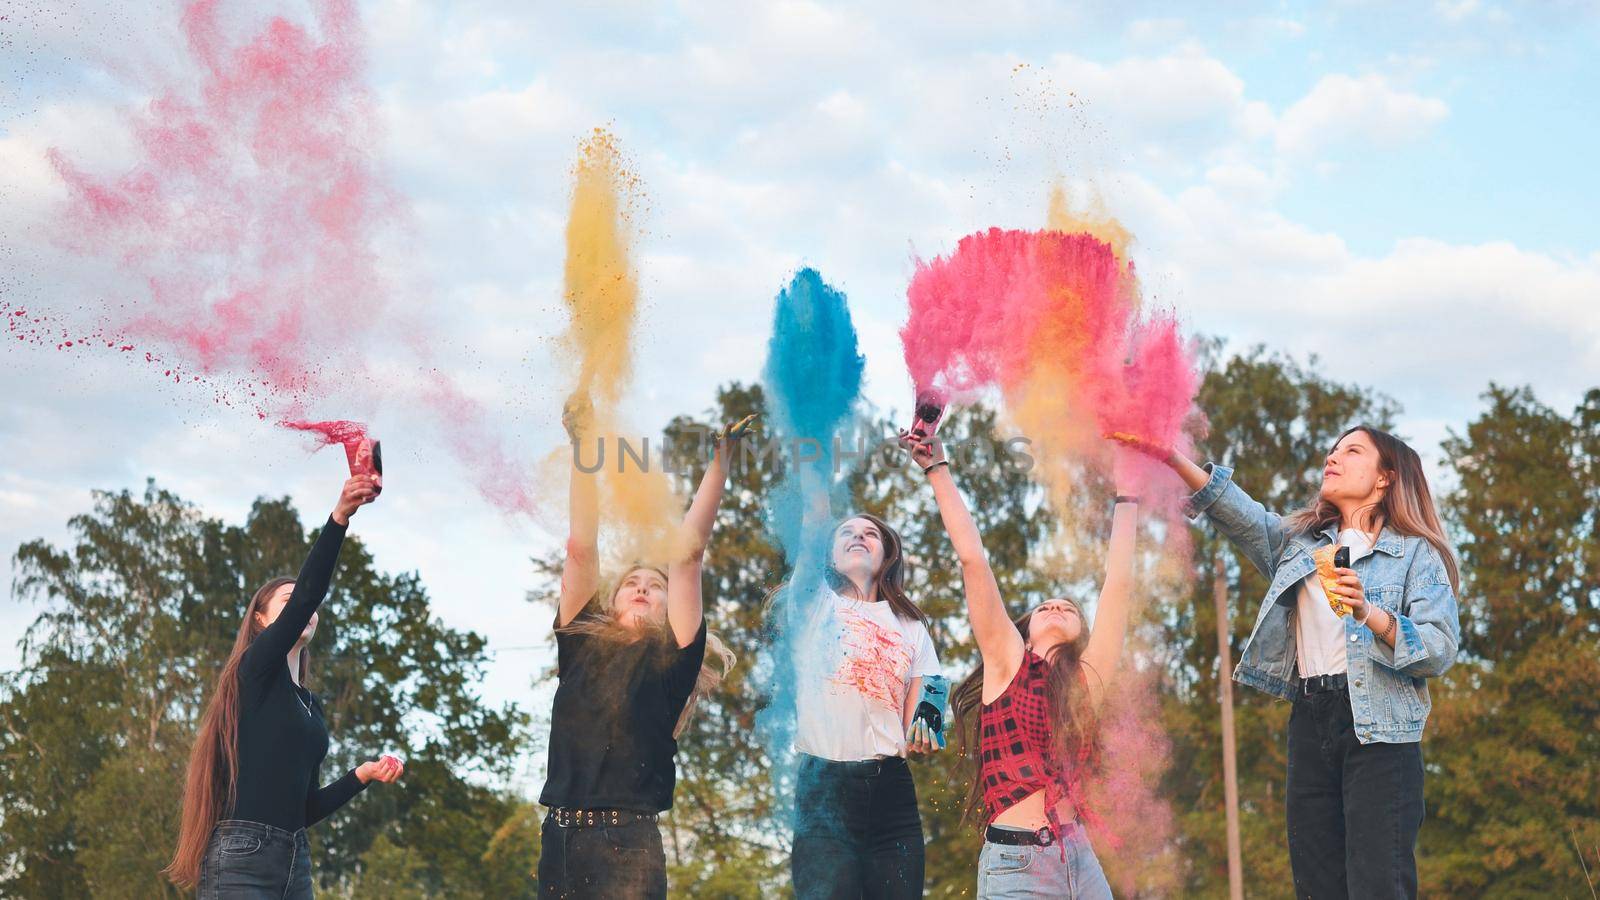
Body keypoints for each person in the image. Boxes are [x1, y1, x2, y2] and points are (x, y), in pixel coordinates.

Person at [1116, 425, 1460, 899]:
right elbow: (1238, 513)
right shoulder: (1298, 545)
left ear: (1386, 477)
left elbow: (1440, 648)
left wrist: (1368, 613)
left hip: (1380, 733)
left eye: (1352, 451)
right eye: (1332, 449)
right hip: (1310, 720)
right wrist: (1171, 456)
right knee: (1316, 884)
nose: (1332, 458)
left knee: (1378, 884)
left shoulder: (1416, 554)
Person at [909, 430, 1137, 899]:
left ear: (1082, 634)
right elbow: (973, 560)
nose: (1056, 607)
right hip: (1018, 865)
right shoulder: (1006, 660)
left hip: (1080, 858)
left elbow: (1118, 584)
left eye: (1069, 608)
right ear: (1024, 628)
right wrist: (937, 469)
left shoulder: (1084, 682)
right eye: (1045, 606)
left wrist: (1128, 488)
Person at [536, 400, 746, 899]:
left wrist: (720, 460)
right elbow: (581, 545)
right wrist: (582, 445)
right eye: (631, 582)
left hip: (627, 843)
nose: (642, 588)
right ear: (608, 605)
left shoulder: (674, 662)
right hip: (559, 838)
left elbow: (689, 555)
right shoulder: (582, 644)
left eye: (655, 586)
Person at [167, 472, 402, 898]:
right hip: (241, 855)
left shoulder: (310, 707)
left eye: (302, 603)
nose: (302, 609)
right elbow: (309, 596)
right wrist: (340, 517)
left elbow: (304, 809)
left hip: (295, 860)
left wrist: (361, 775)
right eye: (287, 602)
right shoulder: (254, 670)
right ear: (260, 619)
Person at [786, 500, 943, 900]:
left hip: (892, 794)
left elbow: (928, 704)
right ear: (830, 557)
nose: (858, 536)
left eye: (870, 533)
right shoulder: (812, 603)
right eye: (847, 533)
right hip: (823, 788)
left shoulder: (911, 626)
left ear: (888, 556)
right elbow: (808, 535)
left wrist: (926, 728)